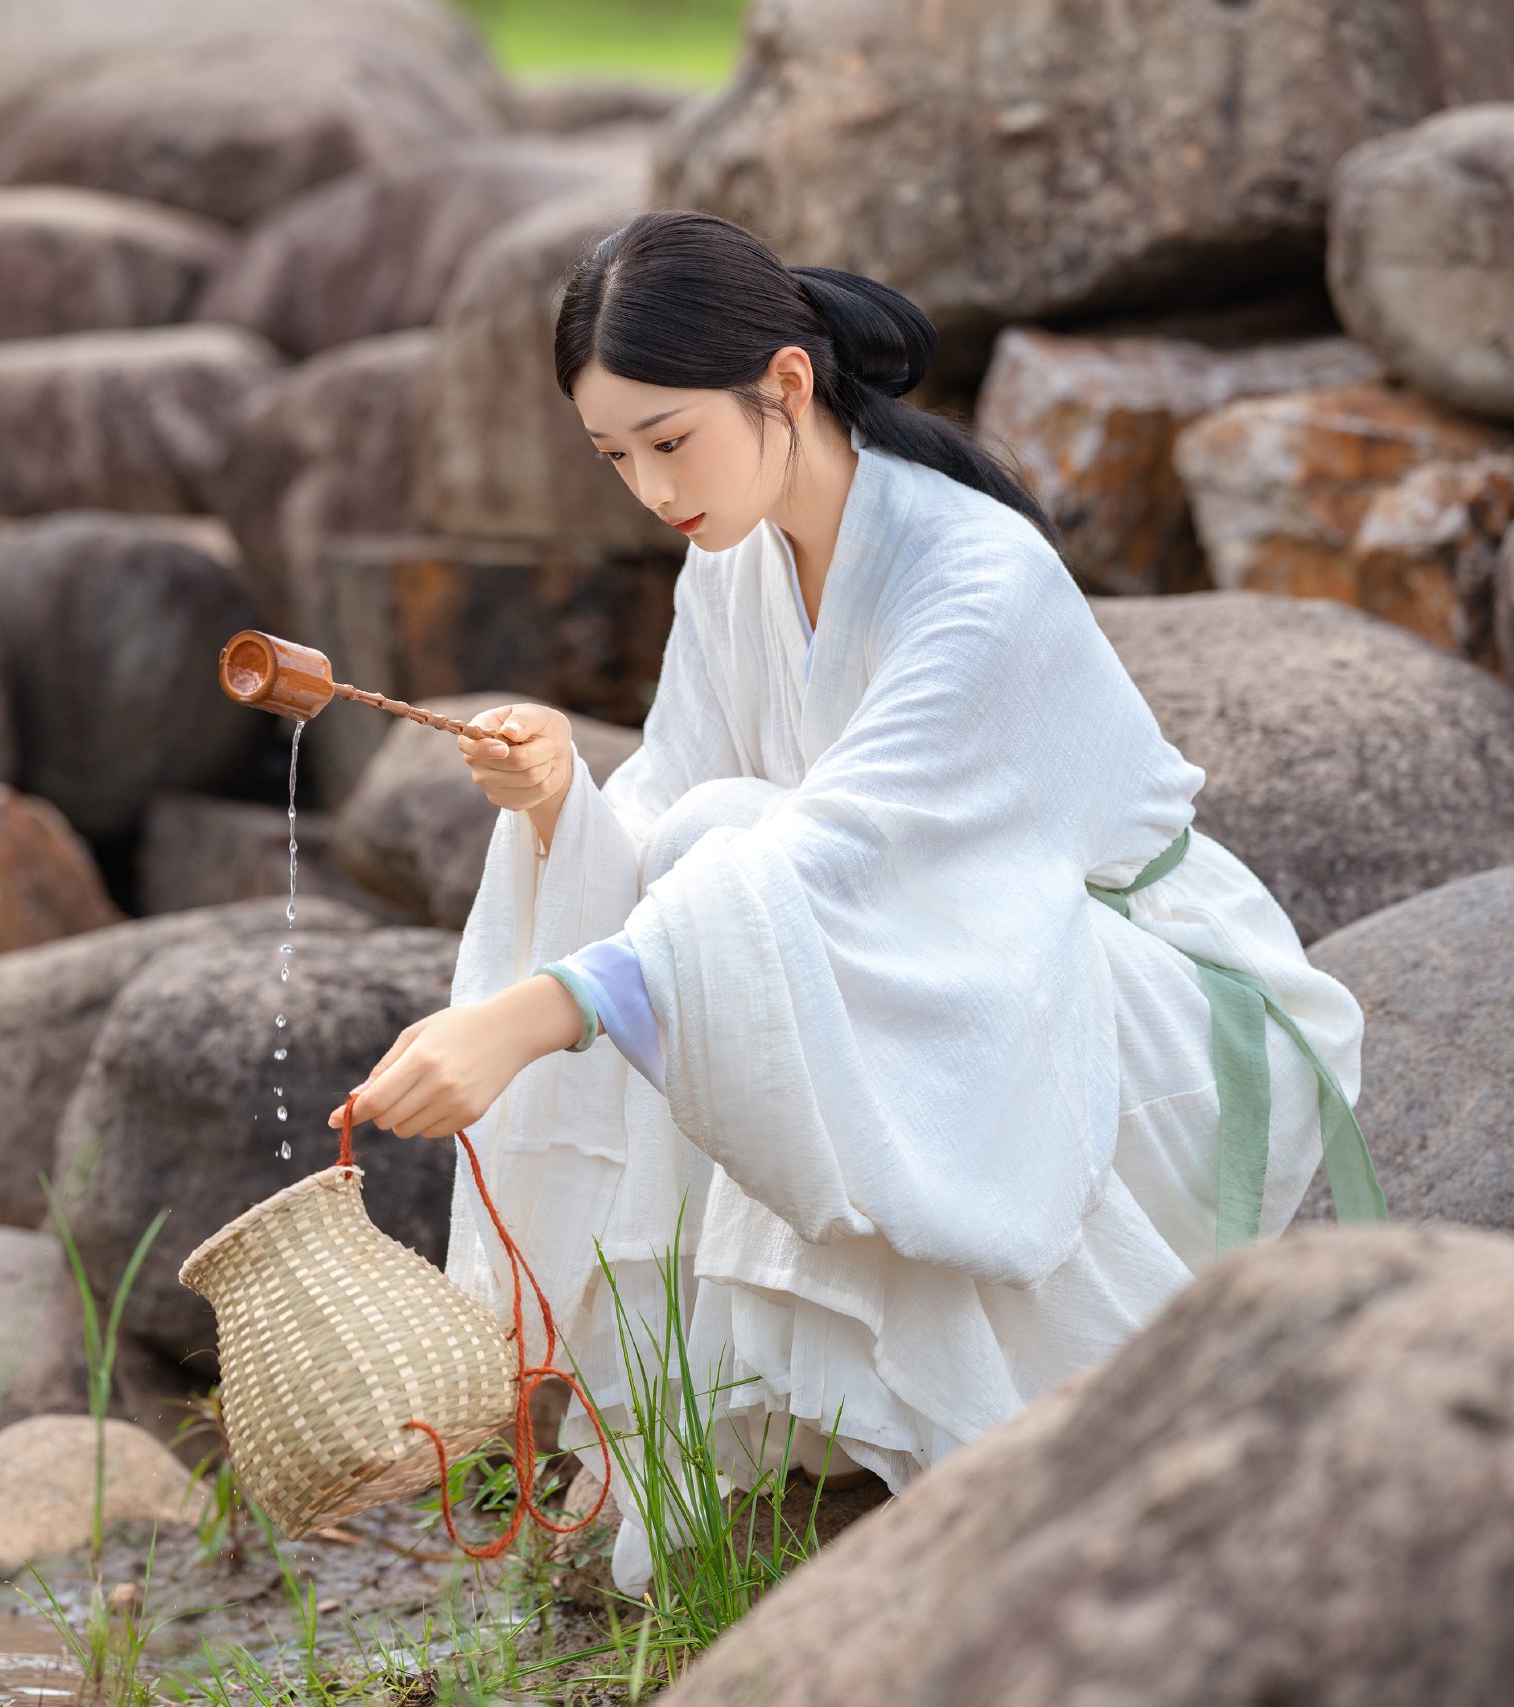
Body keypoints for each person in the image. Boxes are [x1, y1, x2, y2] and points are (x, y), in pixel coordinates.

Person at [330, 210, 1383, 1588]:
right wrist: (556, 801)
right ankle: (798, 1428)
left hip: (1135, 1010)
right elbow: (671, 814)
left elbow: (839, 862)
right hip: (959, 971)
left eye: (669, 440)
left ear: (785, 385)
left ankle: (974, 1454)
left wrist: (535, 1016)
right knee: (711, 844)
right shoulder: (733, 559)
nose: (652, 489)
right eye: (615, 457)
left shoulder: (977, 578)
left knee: (740, 877)